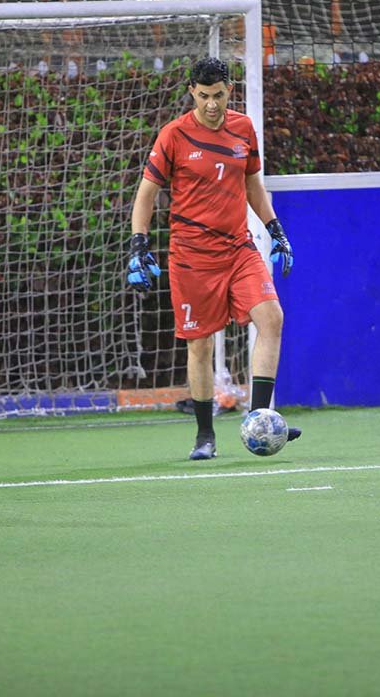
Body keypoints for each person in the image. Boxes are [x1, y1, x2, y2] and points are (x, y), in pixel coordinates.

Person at [127, 56, 300, 460]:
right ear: (192, 92)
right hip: (191, 259)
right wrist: (138, 245)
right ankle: (205, 435)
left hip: (239, 249)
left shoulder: (243, 128)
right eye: (203, 95)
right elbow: (146, 194)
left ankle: (259, 418)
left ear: (229, 92)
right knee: (200, 346)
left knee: (272, 318)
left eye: (218, 95)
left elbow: (252, 185)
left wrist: (276, 230)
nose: (211, 104)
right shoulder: (173, 136)